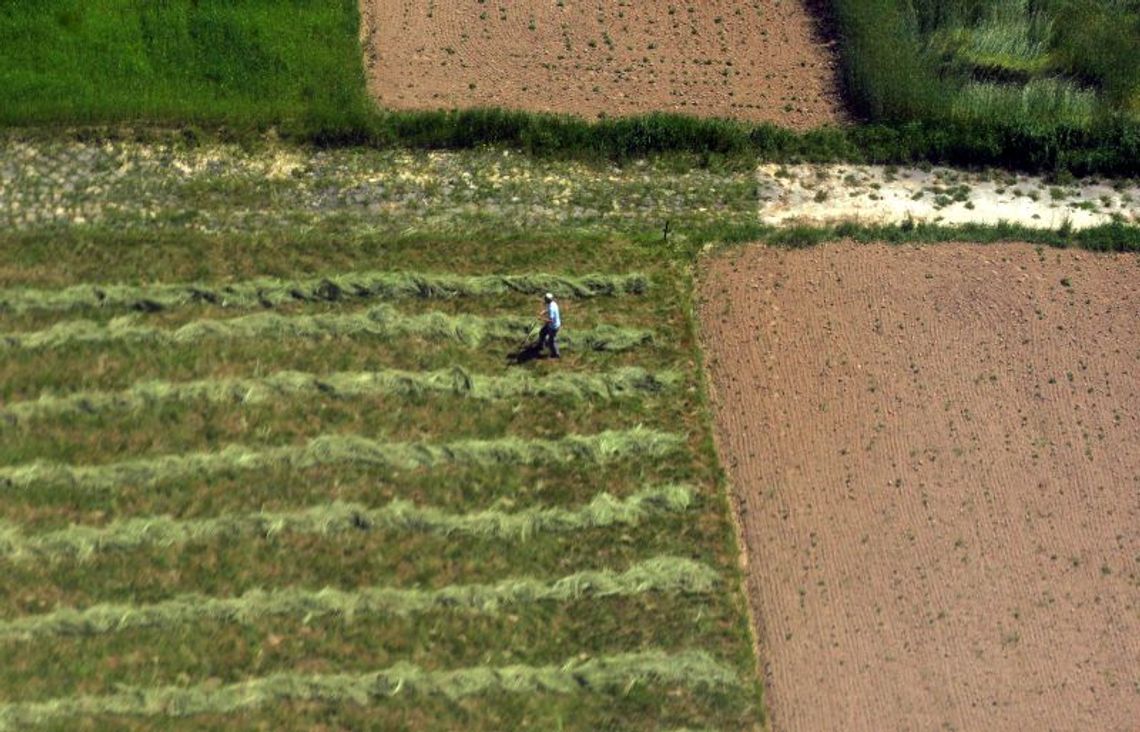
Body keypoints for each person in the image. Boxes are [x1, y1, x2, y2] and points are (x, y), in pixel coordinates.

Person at [538, 292, 561, 359]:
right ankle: (541, 346)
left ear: (548, 299)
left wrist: (541, 319)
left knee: (551, 341)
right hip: (551, 325)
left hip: (553, 327)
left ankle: (556, 355)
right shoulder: (553, 303)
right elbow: (548, 309)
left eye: (545, 298)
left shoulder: (551, 308)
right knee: (542, 333)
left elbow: (551, 320)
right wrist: (544, 312)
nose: (544, 299)